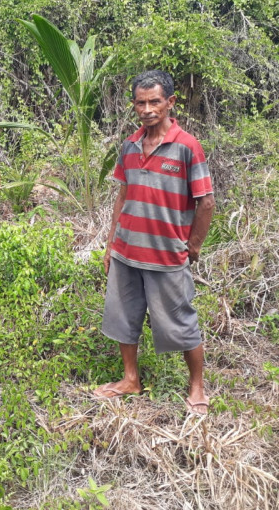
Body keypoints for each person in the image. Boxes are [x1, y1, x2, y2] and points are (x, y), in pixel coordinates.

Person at [96, 70, 216, 415]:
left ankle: (196, 387)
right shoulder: (130, 145)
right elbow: (123, 195)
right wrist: (110, 246)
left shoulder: (187, 146)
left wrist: (192, 246)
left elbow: (205, 202)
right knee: (123, 317)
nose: (147, 109)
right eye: (140, 102)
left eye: (155, 102)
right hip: (126, 251)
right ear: (134, 105)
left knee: (181, 320)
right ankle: (130, 379)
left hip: (166, 256)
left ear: (170, 103)